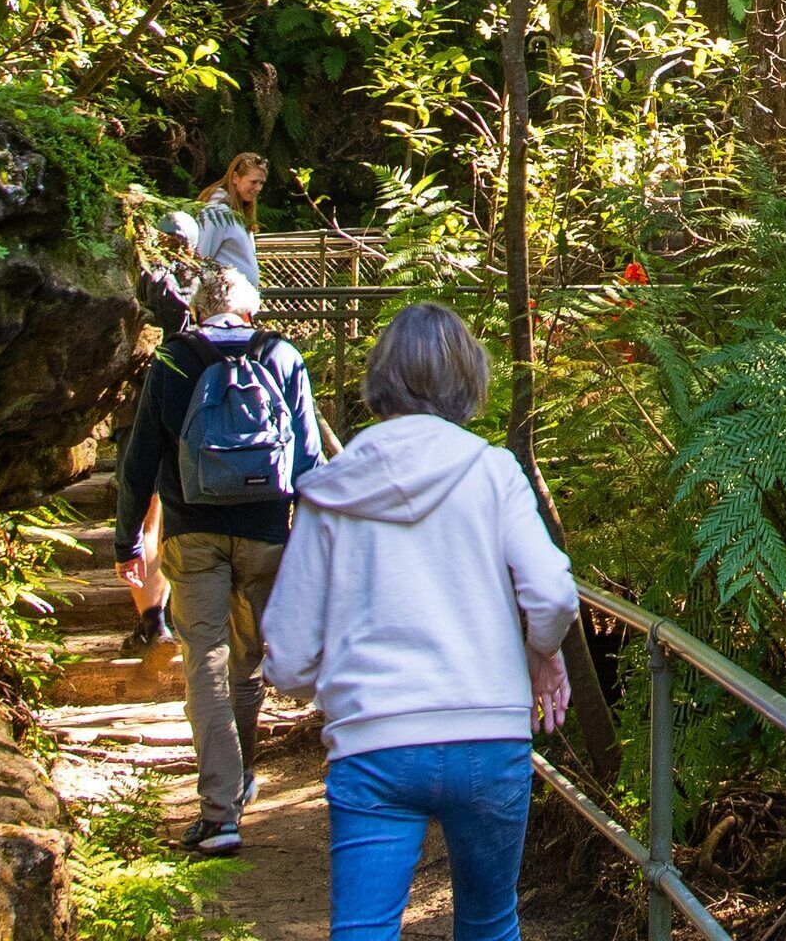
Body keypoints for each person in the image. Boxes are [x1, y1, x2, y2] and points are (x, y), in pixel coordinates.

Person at [261, 304, 576, 941]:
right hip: (488, 735)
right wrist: (542, 652)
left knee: (363, 932)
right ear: (468, 382)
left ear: (381, 379)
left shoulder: (331, 488)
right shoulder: (492, 472)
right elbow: (551, 593)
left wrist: (338, 694)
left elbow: (288, 654)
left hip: (374, 743)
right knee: (490, 926)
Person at [115, 263, 331, 856]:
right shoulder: (283, 355)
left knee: (203, 661)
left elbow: (138, 463)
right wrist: (313, 544)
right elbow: (310, 462)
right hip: (266, 534)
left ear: (198, 305)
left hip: (192, 534)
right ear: (249, 309)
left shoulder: (172, 360)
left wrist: (128, 541)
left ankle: (219, 812)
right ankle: (241, 782)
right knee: (247, 659)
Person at [169, 151, 268, 294]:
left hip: (240, 301)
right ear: (235, 178)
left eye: (261, 183)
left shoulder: (238, 213)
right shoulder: (217, 211)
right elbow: (201, 256)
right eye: (253, 182)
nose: (258, 188)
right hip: (220, 301)